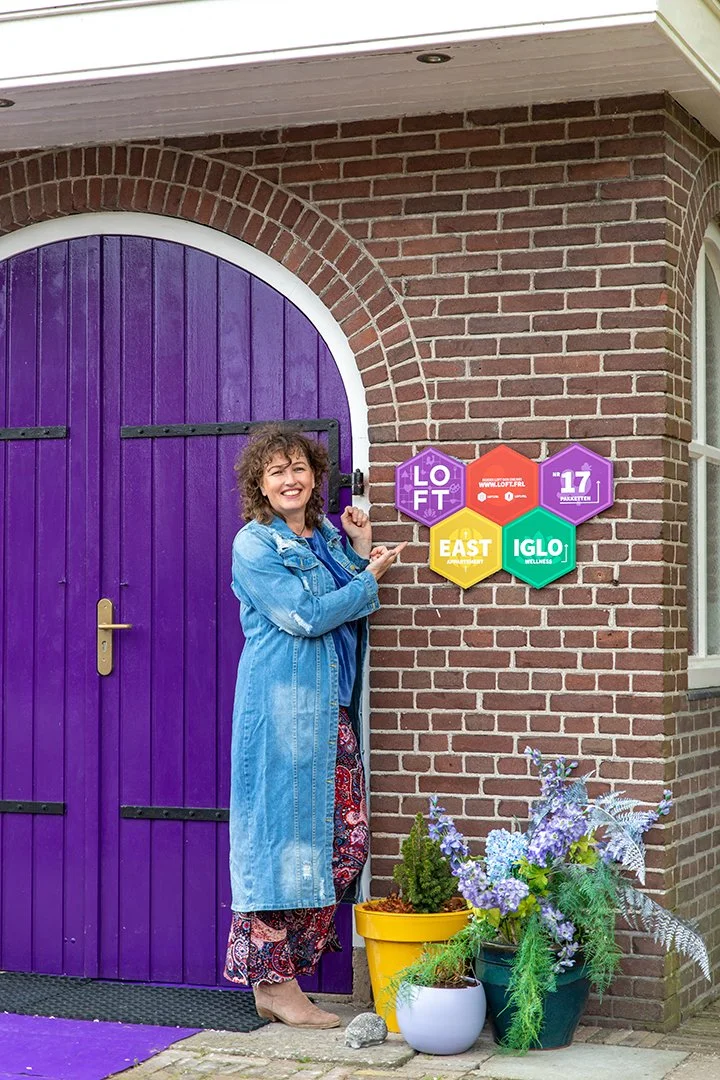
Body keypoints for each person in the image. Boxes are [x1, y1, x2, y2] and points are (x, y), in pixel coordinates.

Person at [224, 424, 405, 1029]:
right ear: (260, 484)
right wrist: (368, 579)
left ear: (314, 475)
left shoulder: (326, 535)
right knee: (279, 843)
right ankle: (275, 985)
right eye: (276, 471)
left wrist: (360, 548)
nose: (290, 479)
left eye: (298, 467)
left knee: (341, 841)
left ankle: (286, 973)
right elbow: (304, 616)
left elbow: (349, 606)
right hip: (279, 714)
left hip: (329, 708)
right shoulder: (255, 545)